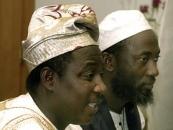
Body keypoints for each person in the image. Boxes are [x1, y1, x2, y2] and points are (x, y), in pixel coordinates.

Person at [0, 4, 106, 130]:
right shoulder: (24, 126)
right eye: (89, 75)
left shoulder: (70, 126)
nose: (102, 87)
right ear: (49, 78)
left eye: (101, 74)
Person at [67, 10, 160, 130]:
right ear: (108, 61)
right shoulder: (74, 125)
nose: (154, 71)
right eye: (144, 59)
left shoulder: (137, 118)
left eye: (156, 58)